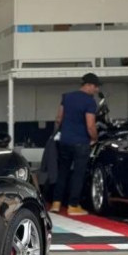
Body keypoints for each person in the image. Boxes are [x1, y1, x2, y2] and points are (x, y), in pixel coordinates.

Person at [50, 73, 101, 216]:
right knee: (78, 174)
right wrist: (95, 138)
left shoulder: (66, 97)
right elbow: (90, 125)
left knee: (63, 172)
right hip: (81, 143)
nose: (96, 90)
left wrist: (58, 134)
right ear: (90, 85)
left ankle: (56, 203)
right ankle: (73, 205)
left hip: (65, 141)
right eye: (96, 87)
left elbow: (59, 118)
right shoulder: (90, 102)